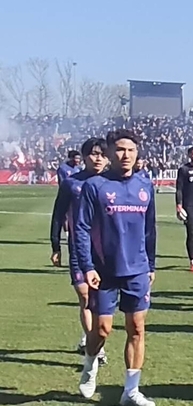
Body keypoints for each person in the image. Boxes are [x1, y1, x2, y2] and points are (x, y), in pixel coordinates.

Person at [74, 129, 158, 406]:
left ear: (137, 154)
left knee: (136, 328)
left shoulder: (145, 186)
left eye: (131, 150)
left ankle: (130, 391)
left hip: (137, 269)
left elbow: (150, 230)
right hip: (104, 271)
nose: (125, 155)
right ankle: (90, 364)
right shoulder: (94, 186)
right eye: (120, 149)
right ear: (109, 152)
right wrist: (87, 267)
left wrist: (151, 265)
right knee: (103, 329)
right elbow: (82, 229)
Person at [50, 137, 108, 360]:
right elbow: (58, 215)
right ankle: (97, 349)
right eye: (94, 154)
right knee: (85, 296)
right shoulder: (71, 183)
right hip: (78, 248)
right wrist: (56, 245)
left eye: (102, 154)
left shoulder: (112, 182)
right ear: (83, 157)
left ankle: (92, 337)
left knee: (100, 300)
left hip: (106, 251)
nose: (98, 158)